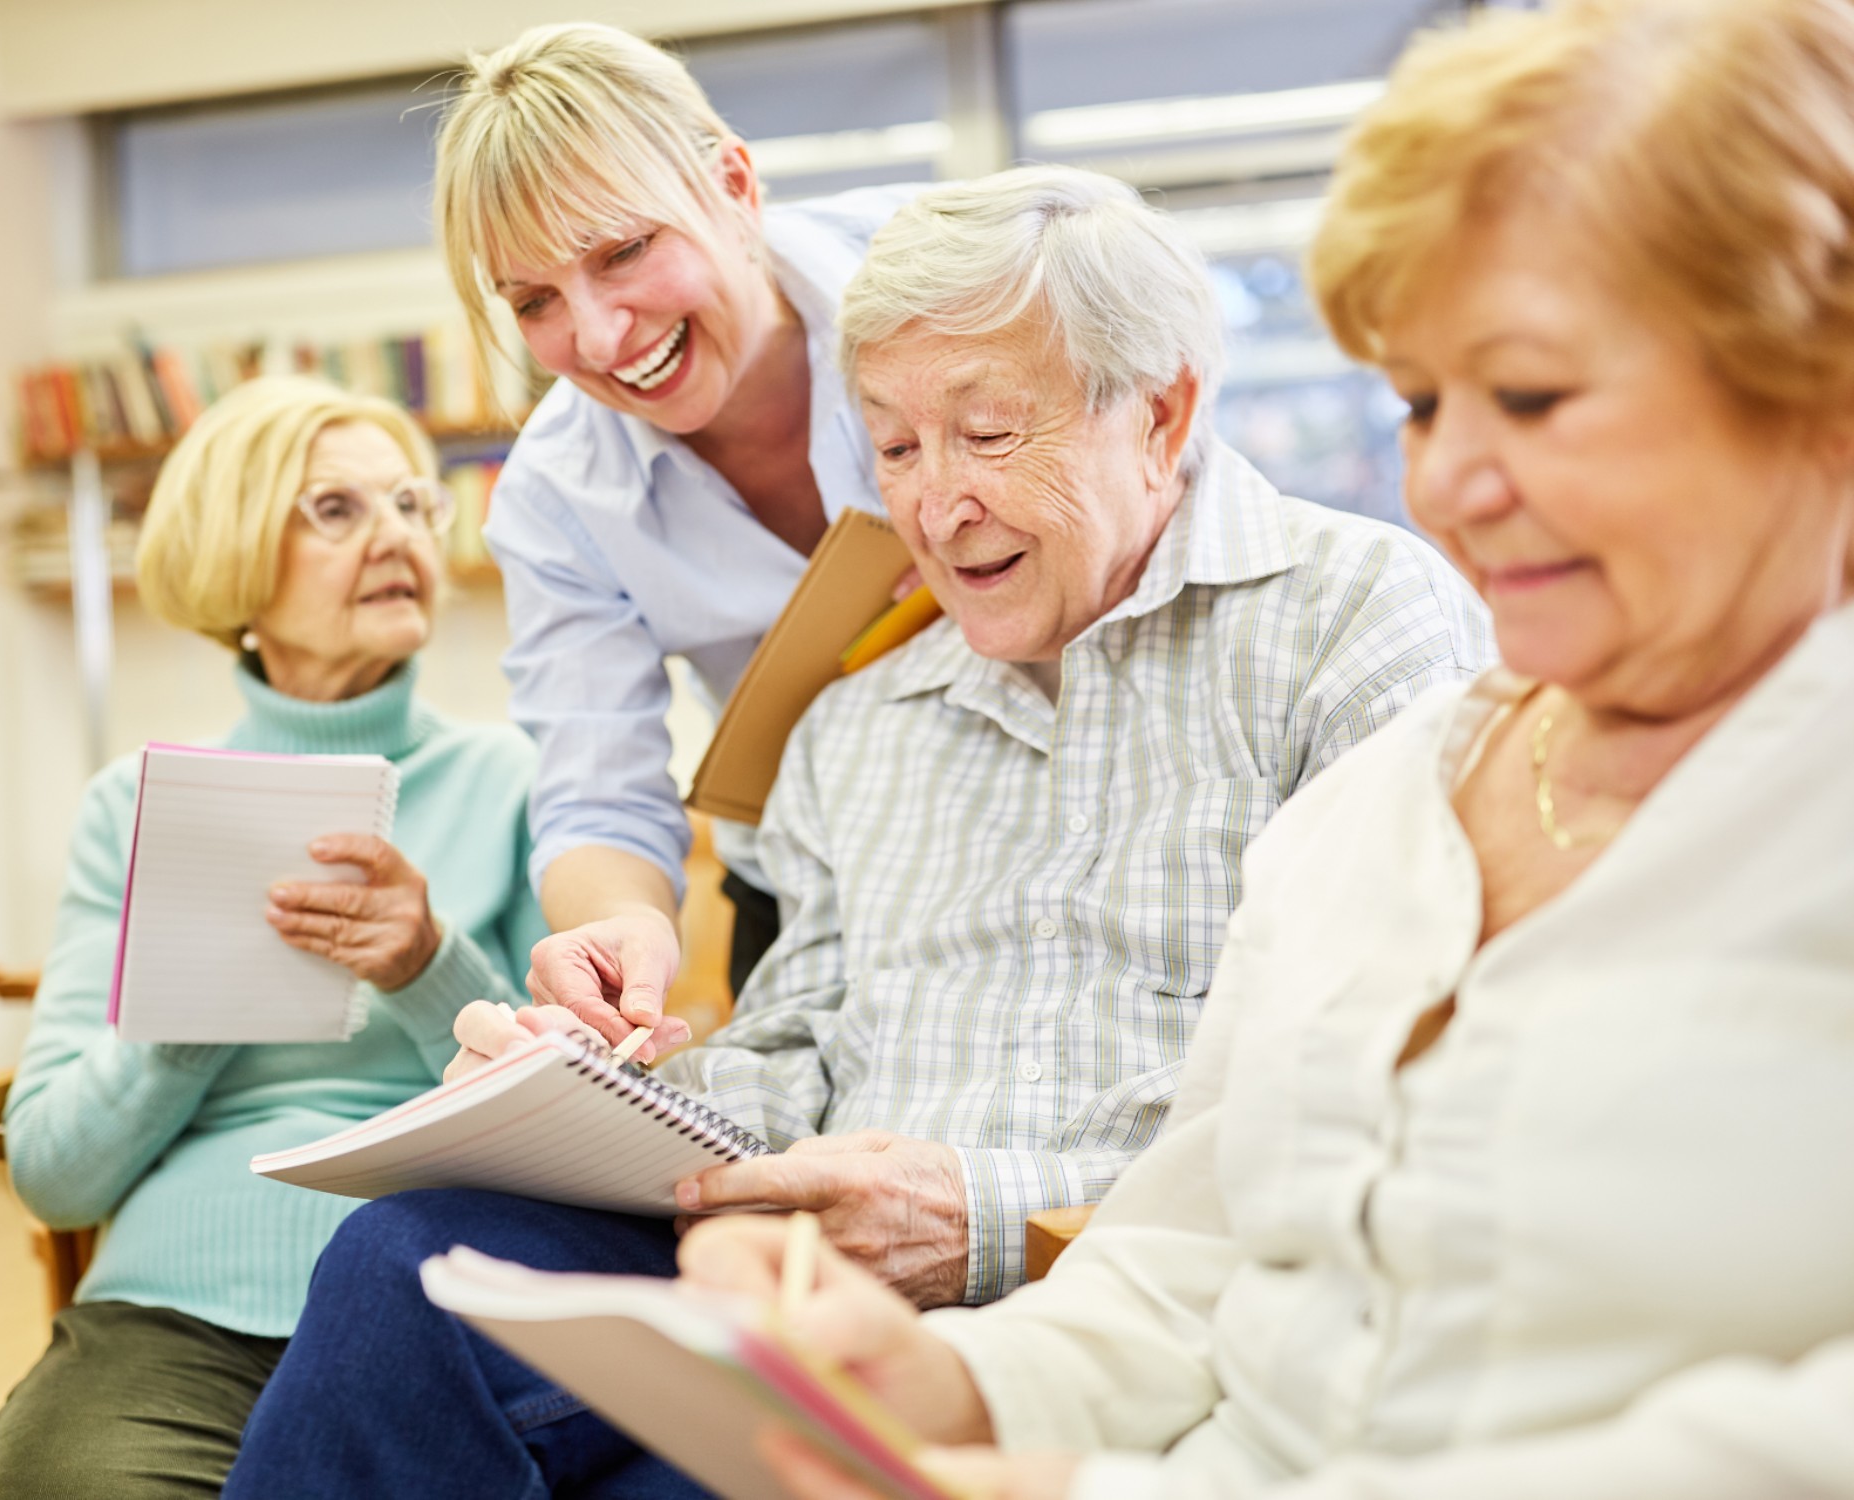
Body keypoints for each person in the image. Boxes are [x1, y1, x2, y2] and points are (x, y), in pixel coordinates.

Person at [673, 3, 1854, 1497]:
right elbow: (1195, 1243)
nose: (1455, 482)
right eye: (1423, 402)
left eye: (1537, 395)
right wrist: (964, 1382)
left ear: (1815, 377)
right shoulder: (1387, 804)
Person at [221, 166, 1494, 1499]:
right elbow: (794, 1050)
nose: (933, 510)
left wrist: (987, 1218)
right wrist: (594, 1093)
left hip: (1105, 1307)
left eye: (989, 435)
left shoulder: (1350, 622)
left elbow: (1374, 1103)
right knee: (407, 1261)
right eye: (892, 447)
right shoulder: (856, 721)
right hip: (808, 1287)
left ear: (1161, 412)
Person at [0, 377, 582, 1499]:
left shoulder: (518, 782)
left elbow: (586, 1127)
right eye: (335, 510)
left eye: (410, 503)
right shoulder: (131, 806)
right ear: (235, 557)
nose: (395, 533)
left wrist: (426, 966)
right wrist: (196, 1006)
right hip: (174, 1317)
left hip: (437, 1301)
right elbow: (54, 1175)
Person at [438, 21, 922, 1017]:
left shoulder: (943, 282)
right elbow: (596, 790)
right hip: (814, 896)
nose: (598, 336)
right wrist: (618, 929)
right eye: (533, 301)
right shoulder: (555, 497)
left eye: (623, 250)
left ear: (734, 187)